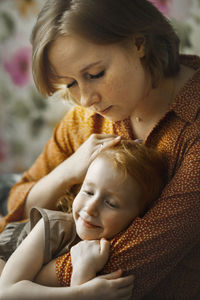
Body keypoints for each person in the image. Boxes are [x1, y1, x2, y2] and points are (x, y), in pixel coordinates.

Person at [0, 0, 199, 298]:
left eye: (94, 74)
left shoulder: (191, 126)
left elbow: (129, 267)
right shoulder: (86, 119)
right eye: (69, 84)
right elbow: (16, 209)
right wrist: (64, 173)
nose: (85, 99)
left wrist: (16, 279)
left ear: (138, 44)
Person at [0, 141, 166, 299]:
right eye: (88, 192)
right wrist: (82, 293)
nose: (90, 207)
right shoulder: (54, 226)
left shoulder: (123, 249)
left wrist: (82, 274)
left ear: (139, 216)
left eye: (111, 203)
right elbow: (7, 291)